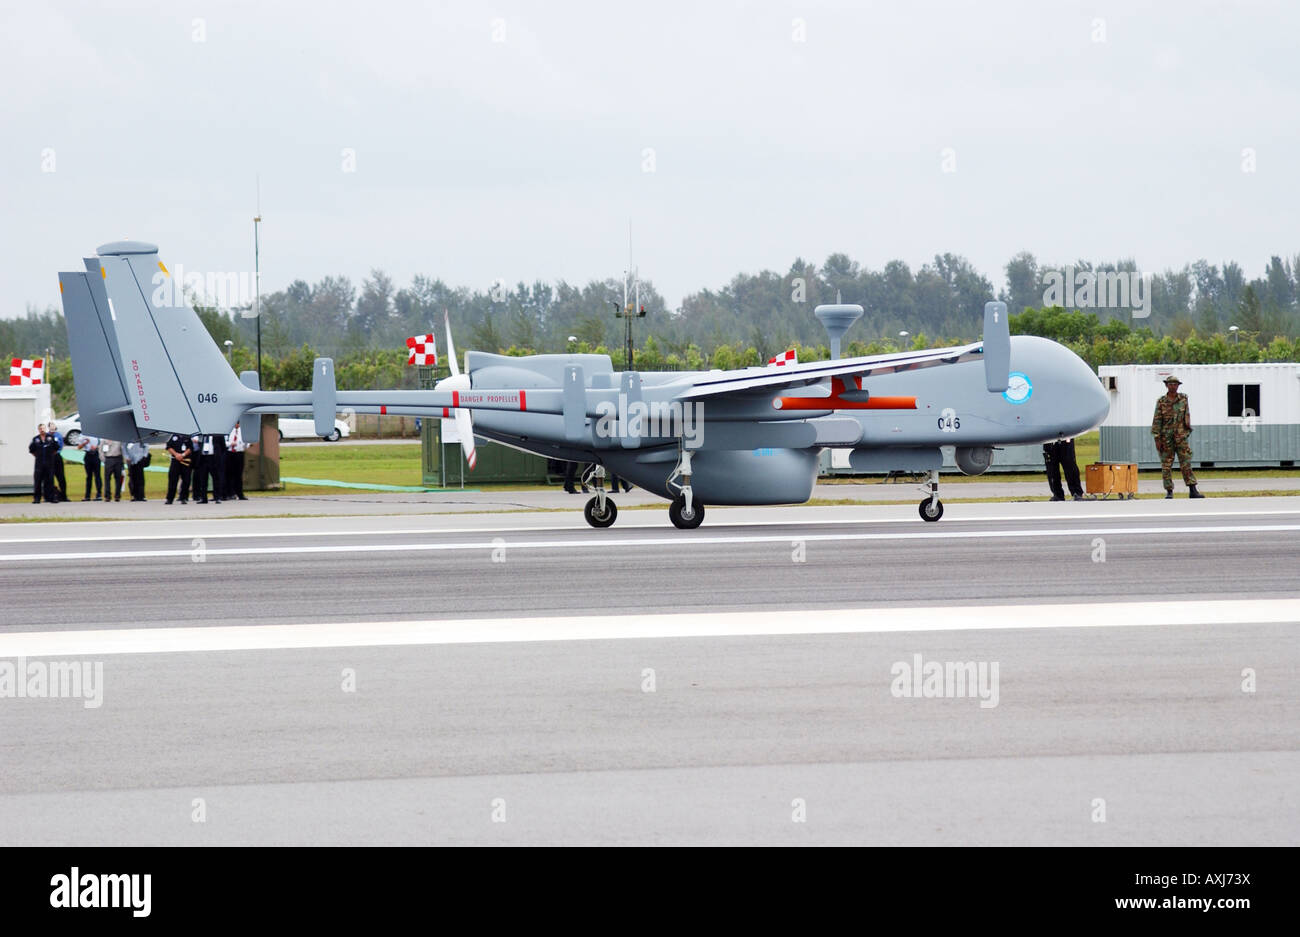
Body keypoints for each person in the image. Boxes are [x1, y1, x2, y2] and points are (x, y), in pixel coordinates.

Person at [1151, 375, 1203, 499]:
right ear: (1166, 386)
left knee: (1186, 463)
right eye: (1170, 384)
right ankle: (1169, 491)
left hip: (1180, 437)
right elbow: (1157, 420)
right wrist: (1157, 438)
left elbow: (1187, 416)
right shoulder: (1161, 401)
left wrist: (1186, 432)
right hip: (1166, 438)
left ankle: (1192, 489)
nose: (1173, 386)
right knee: (1166, 465)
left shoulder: (1183, 399)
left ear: (1178, 386)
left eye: (1175, 384)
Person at [1042, 437, 1084, 501]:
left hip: (1065, 437)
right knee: (1052, 468)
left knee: (1070, 465)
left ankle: (1076, 492)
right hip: (1049, 439)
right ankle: (1057, 494)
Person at [28, 424, 58, 504]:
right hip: (39, 464)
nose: (42, 430)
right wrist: (38, 456)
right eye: (40, 428)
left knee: (50, 480)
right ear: (38, 430)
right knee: (38, 481)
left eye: (43, 428)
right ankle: (37, 498)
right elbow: (31, 450)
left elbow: (56, 448)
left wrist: (50, 456)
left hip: (49, 463)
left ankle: (51, 497)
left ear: (46, 429)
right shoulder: (36, 439)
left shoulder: (50, 438)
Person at [164, 431, 192, 504]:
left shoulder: (188, 436)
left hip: (185, 461)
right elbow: (169, 447)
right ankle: (169, 499)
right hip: (175, 461)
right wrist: (176, 455)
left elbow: (190, 448)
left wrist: (182, 455)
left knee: (186, 480)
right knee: (172, 480)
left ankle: (184, 498)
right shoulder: (173, 436)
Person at [225, 421, 249, 500]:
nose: (237, 425)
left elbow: (247, 442)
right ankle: (230, 493)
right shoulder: (228, 431)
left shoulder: (243, 432)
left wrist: (245, 444)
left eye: (238, 423)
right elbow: (224, 442)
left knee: (238, 475)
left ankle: (240, 494)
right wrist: (230, 444)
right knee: (229, 474)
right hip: (230, 453)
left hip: (239, 453)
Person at [77, 434, 102, 501]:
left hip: (95, 455)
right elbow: (79, 447)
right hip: (88, 455)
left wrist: (96, 447)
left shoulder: (97, 434)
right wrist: (85, 443)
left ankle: (99, 494)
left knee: (97, 475)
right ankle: (87, 495)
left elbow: (102, 444)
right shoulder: (82, 435)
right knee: (89, 476)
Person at [47, 426, 68, 502]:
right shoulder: (46, 436)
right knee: (49, 478)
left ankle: (64, 496)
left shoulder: (58, 435)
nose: (52, 428)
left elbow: (61, 445)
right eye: (51, 426)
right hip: (49, 458)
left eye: (53, 426)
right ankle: (50, 496)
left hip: (57, 456)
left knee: (61, 477)